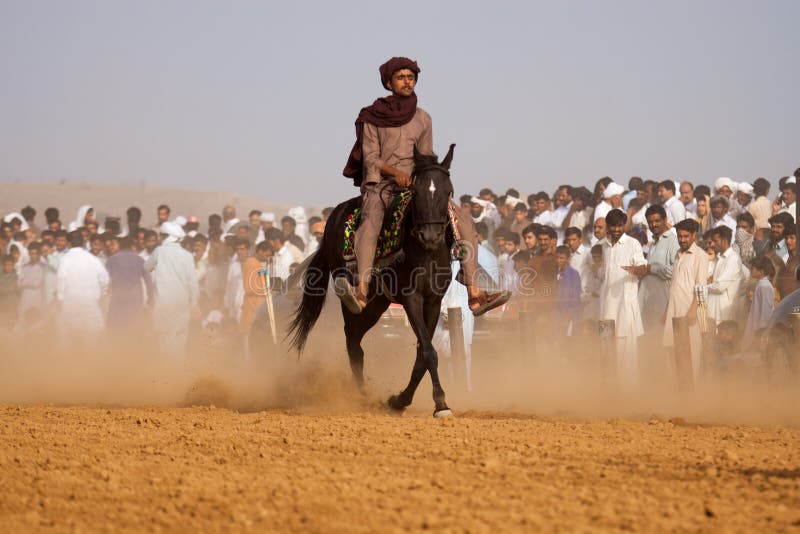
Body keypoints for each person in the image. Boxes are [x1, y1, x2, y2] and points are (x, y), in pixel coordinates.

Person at [341, 56, 508, 315]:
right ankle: (362, 289)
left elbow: (426, 155)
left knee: (462, 219)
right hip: (382, 185)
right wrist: (396, 173)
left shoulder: (423, 118)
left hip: (416, 186)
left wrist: (426, 177)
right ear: (388, 82)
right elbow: (371, 158)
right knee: (371, 220)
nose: (407, 81)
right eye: (401, 77)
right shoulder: (371, 117)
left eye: (411, 77)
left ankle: (474, 293)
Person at [599, 209, 647, 386]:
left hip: (626, 306)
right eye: (613, 226)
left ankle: (630, 393)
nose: (617, 229)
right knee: (608, 349)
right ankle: (611, 390)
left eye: (620, 225)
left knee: (627, 353)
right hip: (607, 306)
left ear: (624, 225)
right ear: (608, 227)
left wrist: (635, 270)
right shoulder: (604, 245)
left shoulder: (633, 243)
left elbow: (643, 267)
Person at [662, 219, 708, 382]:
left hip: (689, 312)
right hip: (673, 310)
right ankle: (676, 390)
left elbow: (701, 287)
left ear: (694, 236)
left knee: (691, 353)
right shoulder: (678, 254)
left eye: (686, 236)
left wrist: (693, 310)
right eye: (680, 236)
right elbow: (674, 285)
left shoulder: (700, 256)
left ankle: (692, 394)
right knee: (671, 351)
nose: (682, 240)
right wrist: (667, 310)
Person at [144, 222, 199, 356]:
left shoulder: (159, 251)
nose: (160, 238)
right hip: (182, 303)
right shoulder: (187, 255)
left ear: (167, 236)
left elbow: (146, 268)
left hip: (163, 302)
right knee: (180, 339)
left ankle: (168, 373)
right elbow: (193, 283)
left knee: (164, 340)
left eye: (162, 235)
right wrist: (194, 304)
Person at [56, 229, 110, 337]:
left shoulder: (64, 260)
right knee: (92, 340)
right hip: (90, 302)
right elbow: (105, 279)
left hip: (70, 303)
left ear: (69, 243)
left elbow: (61, 280)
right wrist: (102, 294)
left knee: (69, 340)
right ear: (84, 243)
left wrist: (61, 298)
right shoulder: (93, 259)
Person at [638, 205, 679, 334]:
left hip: (663, 302)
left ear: (665, 220)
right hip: (647, 301)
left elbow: (675, 272)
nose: (653, 225)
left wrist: (651, 269)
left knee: (661, 341)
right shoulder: (653, 243)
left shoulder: (673, 241)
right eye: (650, 222)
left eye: (657, 221)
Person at [105, 236, 151, 330]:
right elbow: (148, 280)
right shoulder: (139, 259)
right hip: (135, 296)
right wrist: (150, 296)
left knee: (117, 325)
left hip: (118, 295)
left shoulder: (112, 259)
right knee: (134, 324)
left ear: (120, 246)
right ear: (132, 246)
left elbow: (106, 280)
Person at [706, 226, 744, 326]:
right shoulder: (718, 258)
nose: (712, 244)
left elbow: (719, 286)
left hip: (724, 313)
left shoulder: (733, 258)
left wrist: (704, 287)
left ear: (725, 240)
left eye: (715, 241)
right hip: (712, 312)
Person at [742, 256, 775, 349]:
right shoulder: (761, 285)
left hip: (759, 332)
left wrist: (760, 334)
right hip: (756, 329)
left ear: (761, 271)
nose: (750, 270)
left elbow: (765, 313)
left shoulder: (764, 286)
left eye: (752, 268)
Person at [16, 242, 45, 330]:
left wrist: (25, 282)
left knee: (35, 323)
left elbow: (37, 283)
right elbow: (18, 283)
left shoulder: (43, 267)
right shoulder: (25, 267)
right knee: (22, 320)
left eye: (35, 253)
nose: (33, 256)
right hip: (25, 297)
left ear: (39, 254)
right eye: (31, 253)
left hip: (36, 297)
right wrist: (27, 282)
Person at [554, 245, 581, 335]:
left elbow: (575, 298)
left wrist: (568, 316)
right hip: (556, 315)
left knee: (567, 342)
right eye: (557, 258)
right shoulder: (555, 273)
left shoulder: (574, 274)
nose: (558, 260)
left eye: (562, 258)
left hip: (568, 316)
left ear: (568, 258)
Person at [0, 255, 18, 329]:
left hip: (12, 307)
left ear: (14, 265)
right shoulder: (0, 275)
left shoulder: (17, 275)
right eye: (7, 265)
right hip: (2, 306)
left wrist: (4, 289)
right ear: (3, 265)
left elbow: (15, 288)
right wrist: (8, 289)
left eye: (11, 265)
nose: (8, 267)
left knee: (10, 328)